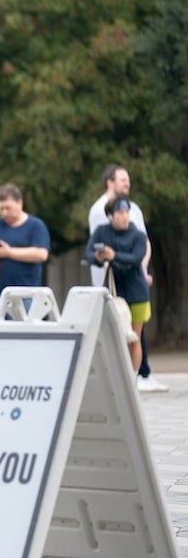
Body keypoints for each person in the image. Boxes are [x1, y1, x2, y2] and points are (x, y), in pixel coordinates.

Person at [87, 164, 166, 392]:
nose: (127, 184)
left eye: (128, 180)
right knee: (119, 331)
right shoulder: (99, 210)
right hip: (111, 281)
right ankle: (123, 377)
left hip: (134, 279)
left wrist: (141, 268)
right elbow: (100, 247)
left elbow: (142, 244)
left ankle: (139, 375)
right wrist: (113, 258)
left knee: (134, 332)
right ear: (109, 182)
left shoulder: (135, 209)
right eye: (123, 179)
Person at [87, 197, 149, 374]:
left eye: (126, 213)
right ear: (110, 215)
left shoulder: (138, 235)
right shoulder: (102, 231)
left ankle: (134, 377)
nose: (124, 216)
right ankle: (116, 376)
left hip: (136, 292)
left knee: (134, 337)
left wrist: (114, 255)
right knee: (114, 338)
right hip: (113, 292)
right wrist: (99, 257)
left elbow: (136, 258)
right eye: (120, 213)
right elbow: (89, 254)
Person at [0, 183, 50, 307]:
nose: (4, 213)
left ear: (20, 203)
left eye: (8, 208)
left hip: (27, 295)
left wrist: (9, 253)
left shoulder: (35, 226)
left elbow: (41, 254)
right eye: (1, 209)